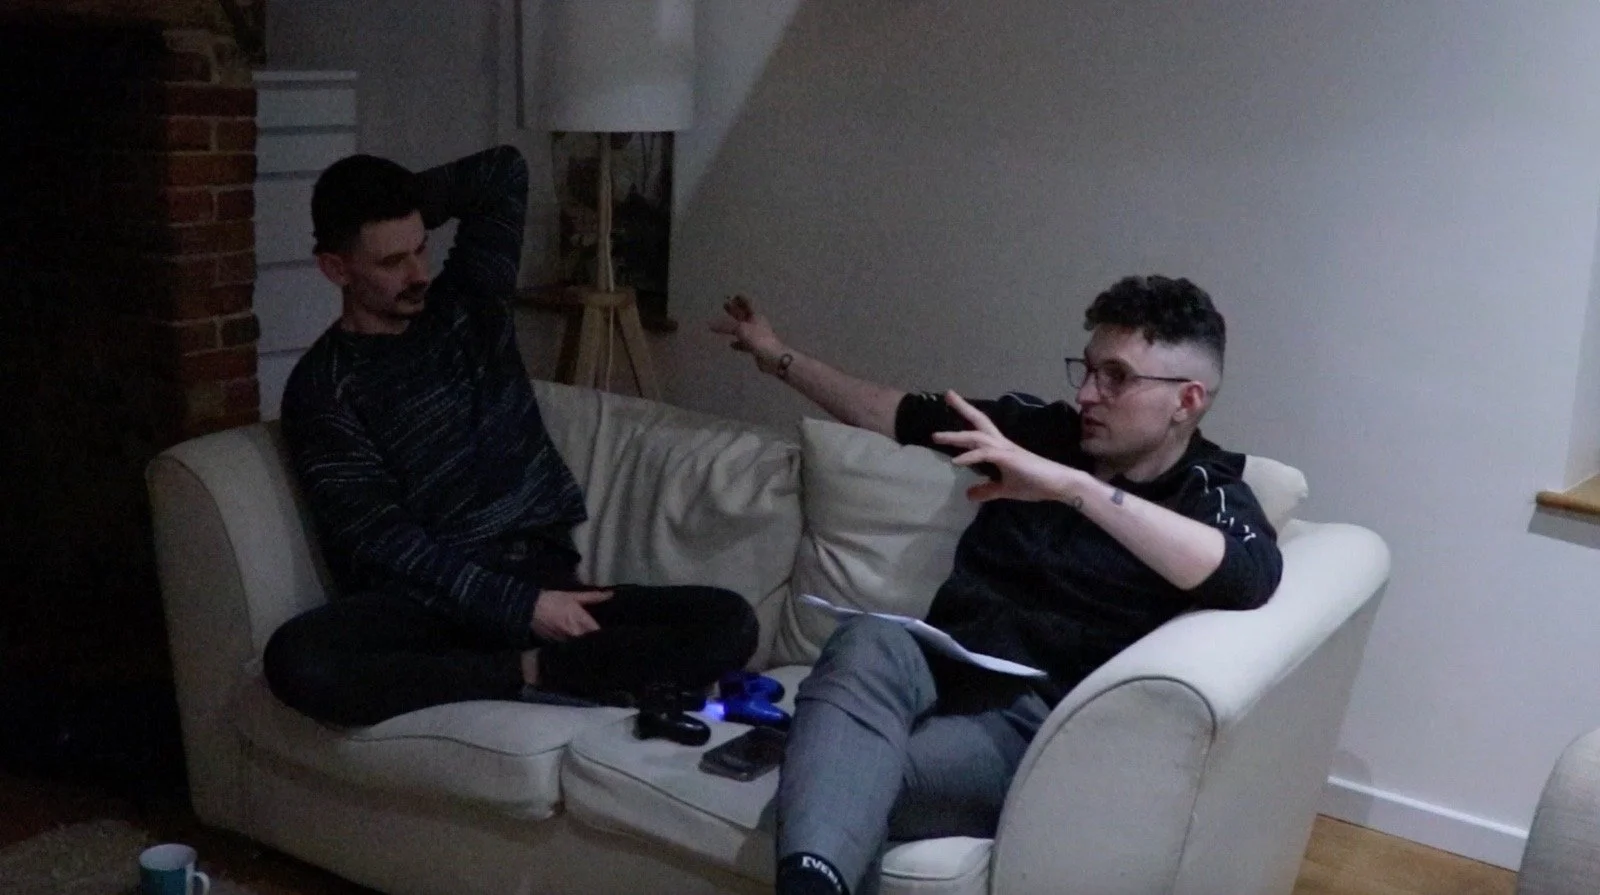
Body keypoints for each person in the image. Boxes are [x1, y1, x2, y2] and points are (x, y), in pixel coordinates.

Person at [711, 276, 1285, 895]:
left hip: (1024, 725)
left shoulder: (1209, 490)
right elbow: (893, 411)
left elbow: (1248, 575)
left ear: (1187, 400)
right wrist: (778, 358)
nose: (1089, 393)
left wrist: (1075, 488)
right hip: (934, 664)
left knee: (842, 775)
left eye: (1116, 377)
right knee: (867, 640)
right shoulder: (1039, 433)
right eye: (1087, 370)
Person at [263, 146, 757, 728]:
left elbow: (503, 173)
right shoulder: (324, 388)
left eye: (421, 246)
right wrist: (520, 609)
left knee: (729, 621)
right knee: (300, 660)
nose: (418, 273)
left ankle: (547, 671)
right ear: (335, 268)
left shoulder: (471, 304)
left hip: (540, 575)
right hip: (433, 605)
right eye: (390, 261)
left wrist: (397, 195)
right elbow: (382, 541)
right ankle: (527, 673)